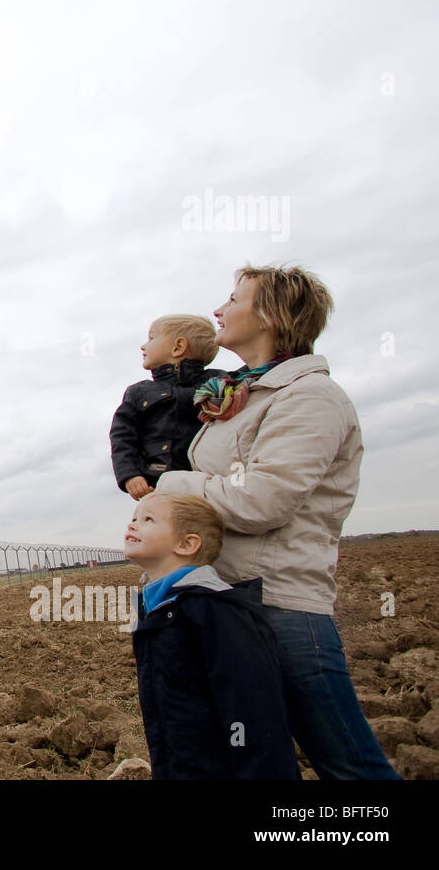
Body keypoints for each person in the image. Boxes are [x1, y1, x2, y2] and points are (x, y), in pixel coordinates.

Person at [154, 264, 400, 779]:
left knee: (352, 769)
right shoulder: (242, 395)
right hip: (237, 601)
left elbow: (263, 500)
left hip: (280, 607)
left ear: (269, 315)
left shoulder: (310, 397)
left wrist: (173, 485)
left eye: (233, 298)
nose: (218, 309)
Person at [125, 491, 299, 779]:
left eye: (147, 519)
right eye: (133, 518)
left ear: (187, 544)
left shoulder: (216, 610)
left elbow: (253, 710)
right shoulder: (157, 608)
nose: (132, 525)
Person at [110, 315, 226, 499]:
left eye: (151, 338)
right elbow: (123, 437)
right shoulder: (138, 393)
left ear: (178, 347)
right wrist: (130, 474)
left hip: (209, 485)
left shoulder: (219, 382)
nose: (143, 345)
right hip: (158, 485)